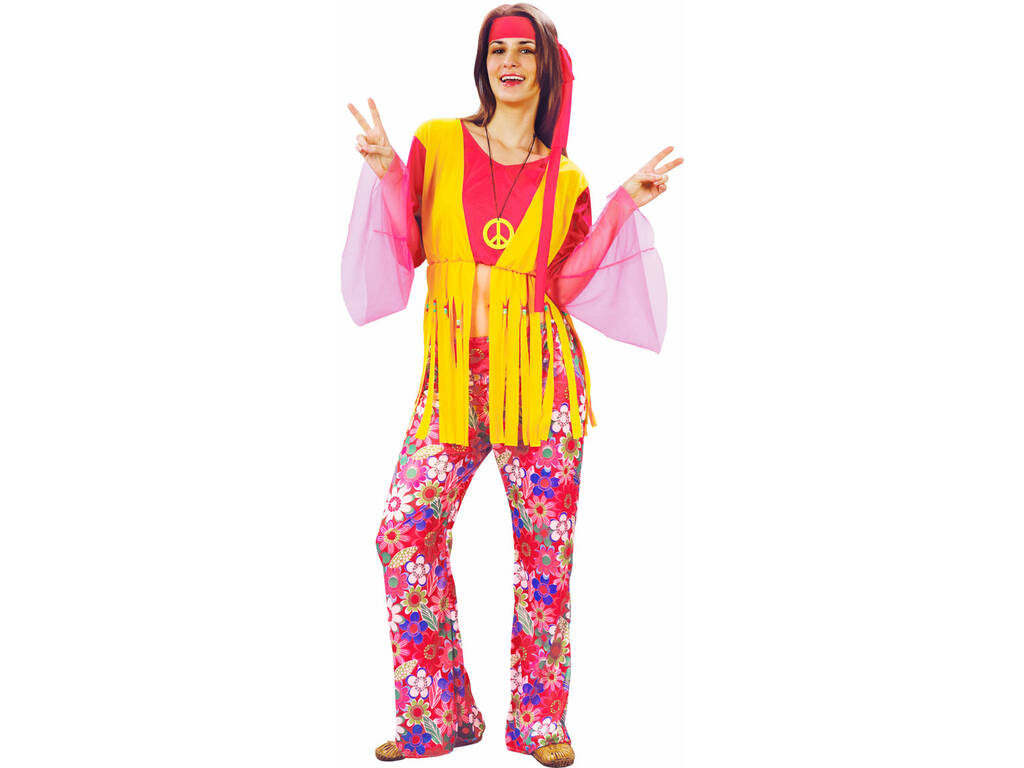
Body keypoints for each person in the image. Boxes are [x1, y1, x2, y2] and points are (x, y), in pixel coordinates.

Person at [341, 5, 681, 765]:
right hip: (454, 377)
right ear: (483, 63)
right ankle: (437, 715)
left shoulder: (567, 178)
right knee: (403, 532)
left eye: (526, 51)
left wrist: (624, 201)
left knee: (544, 552)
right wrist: (389, 170)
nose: (511, 63)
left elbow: (569, 282)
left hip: (540, 378)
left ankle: (540, 723)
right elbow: (411, 241)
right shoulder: (437, 143)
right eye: (499, 50)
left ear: (546, 69)